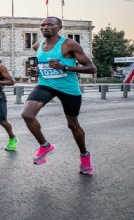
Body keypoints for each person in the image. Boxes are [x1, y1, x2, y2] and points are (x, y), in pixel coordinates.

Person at [22, 17, 97, 174]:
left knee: (73, 124)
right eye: (42, 25)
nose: (45, 27)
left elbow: (91, 68)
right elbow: (43, 66)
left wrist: (65, 67)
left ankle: (84, 155)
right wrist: (35, 71)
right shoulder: (37, 45)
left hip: (68, 88)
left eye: (50, 24)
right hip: (46, 85)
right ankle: (45, 146)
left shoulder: (69, 44)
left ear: (59, 27)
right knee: (27, 115)